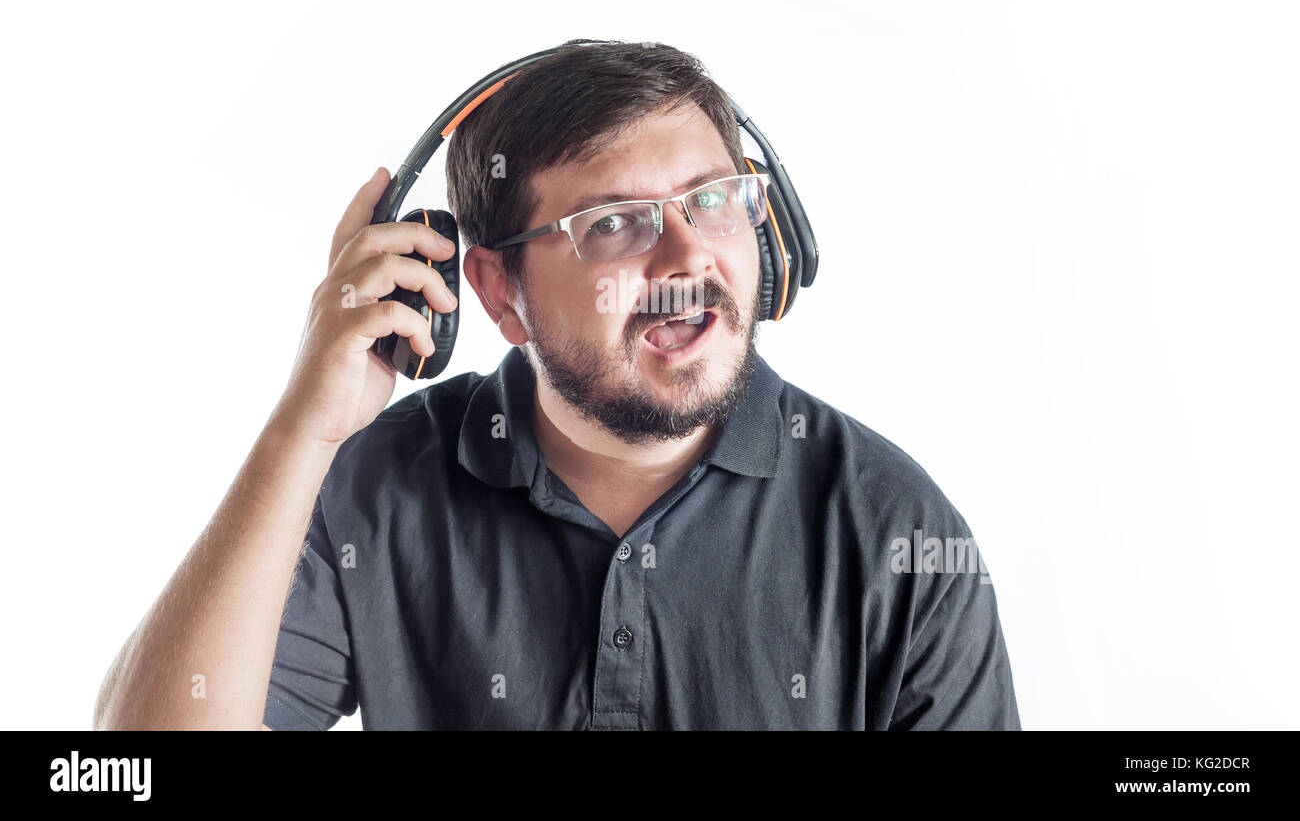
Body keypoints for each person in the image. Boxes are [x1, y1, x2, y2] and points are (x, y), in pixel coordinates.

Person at [93, 40, 1020, 730]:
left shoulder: (899, 532)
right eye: (616, 224)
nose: (689, 255)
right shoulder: (370, 492)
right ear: (497, 290)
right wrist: (304, 429)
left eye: (712, 200)